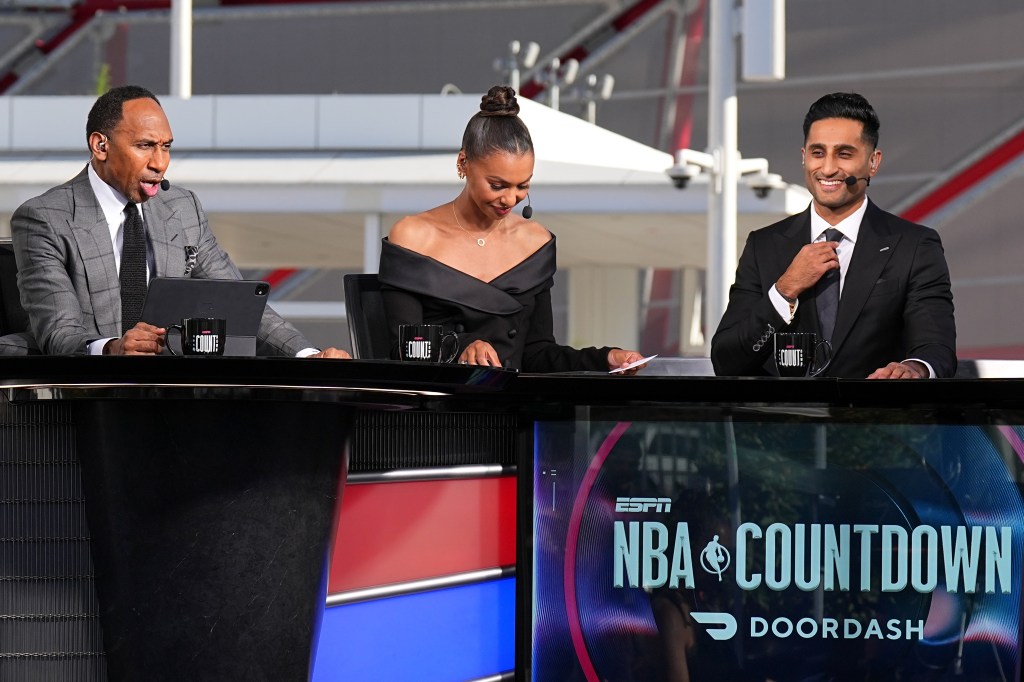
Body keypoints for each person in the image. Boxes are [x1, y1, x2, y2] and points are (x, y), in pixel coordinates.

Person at [11, 85, 348, 358]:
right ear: (100, 146)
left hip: (179, 391)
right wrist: (113, 348)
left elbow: (240, 303)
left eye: (166, 147)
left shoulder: (182, 208)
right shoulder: (44, 219)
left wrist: (307, 355)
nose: (160, 163)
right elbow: (59, 331)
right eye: (145, 146)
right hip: (92, 397)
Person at [378, 85, 645, 373]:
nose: (510, 199)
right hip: (439, 410)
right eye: (497, 185)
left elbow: (538, 353)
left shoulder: (535, 243)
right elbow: (402, 348)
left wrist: (604, 359)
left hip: (512, 409)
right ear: (463, 163)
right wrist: (464, 346)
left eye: (523, 186)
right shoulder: (413, 236)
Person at [711, 92, 956, 379]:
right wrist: (784, 290)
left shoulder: (915, 246)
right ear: (804, 158)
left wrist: (913, 370)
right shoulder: (763, 246)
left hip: (870, 421)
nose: (828, 168)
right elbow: (726, 360)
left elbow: (936, 350)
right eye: (818, 153)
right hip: (782, 423)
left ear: (873, 162)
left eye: (844, 154)